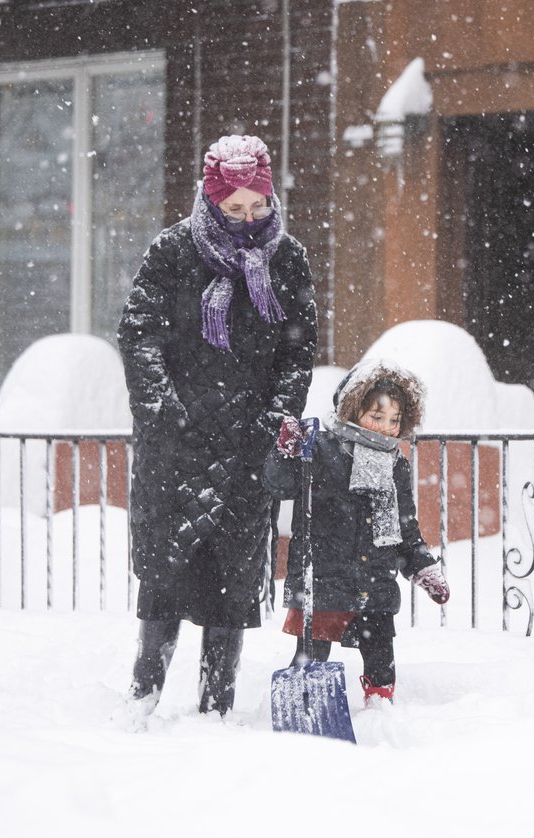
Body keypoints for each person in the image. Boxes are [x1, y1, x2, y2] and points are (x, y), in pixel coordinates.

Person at [117, 134, 316, 718]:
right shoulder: (173, 251)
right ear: (211, 199)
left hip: (248, 444)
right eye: (235, 209)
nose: (249, 219)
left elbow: (297, 352)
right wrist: (162, 412)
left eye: (258, 207)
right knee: (164, 581)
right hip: (176, 444)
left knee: (232, 585)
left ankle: (216, 708)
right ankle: (143, 697)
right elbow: (138, 336)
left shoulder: (287, 258)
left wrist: (276, 420)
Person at [263, 360, 450, 706]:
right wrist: (285, 453)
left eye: (395, 420)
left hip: (374, 583)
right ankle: (300, 707)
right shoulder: (320, 449)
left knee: (382, 662)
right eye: (376, 417)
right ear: (352, 409)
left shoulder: (395, 465)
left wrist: (423, 566)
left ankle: (379, 711)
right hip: (322, 578)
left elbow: (405, 529)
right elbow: (281, 485)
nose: (386, 428)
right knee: (310, 658)